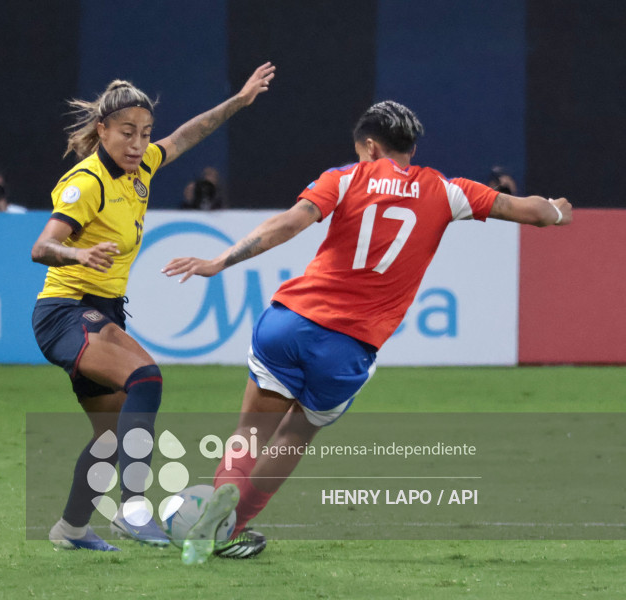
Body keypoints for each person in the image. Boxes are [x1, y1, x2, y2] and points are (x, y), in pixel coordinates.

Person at [162, 100, 572, 564]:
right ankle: (236, 525)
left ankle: (224, 496)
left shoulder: (343, 177)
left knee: (250, 432)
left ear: (371, 146)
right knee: (293, 438)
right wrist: (559, 211)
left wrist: (222, 260)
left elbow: (289, 223)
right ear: (410, 148)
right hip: (348, 349)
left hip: (290, 322)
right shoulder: (445, 190)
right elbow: (531, 212)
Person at [30, 62, 276, 552]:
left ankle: (72, 528)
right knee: (147, 378)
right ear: (102, 129)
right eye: (127, 133)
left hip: (102, 311)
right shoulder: (88, 181)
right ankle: (133, 508)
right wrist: (77, 252)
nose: (139, 144)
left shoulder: (140, 168)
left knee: (109, 437)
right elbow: (41, 247)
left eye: (145, 134)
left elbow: (189, 133)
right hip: (66, 310)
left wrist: (240, 100)